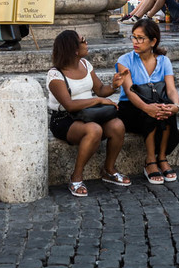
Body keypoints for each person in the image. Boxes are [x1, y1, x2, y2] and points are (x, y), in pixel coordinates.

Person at [47, 30, 130, 196]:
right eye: (83, 41)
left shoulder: (85, 64)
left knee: (117, 125)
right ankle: (76, 177)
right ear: (74, 49)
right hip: (64, 119)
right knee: (94, 130)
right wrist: (98, 101)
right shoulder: (55, 74)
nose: (87, 43)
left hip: (89, 115)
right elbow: (69, 105)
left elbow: (100, 90)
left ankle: (109, 169)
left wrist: (114, 85)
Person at [115, 19, 179, 184]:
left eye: (140, 38)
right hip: (131, 106)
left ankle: (163, 157)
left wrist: (176, 105)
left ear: (153, 41)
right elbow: (129, 92)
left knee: (164, 109)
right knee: (152, 113)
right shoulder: (124, 60)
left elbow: (171, 89)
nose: (135, 42)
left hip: (156, 101)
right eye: (134, 37)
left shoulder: (164, 61)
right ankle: (150, 161)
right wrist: (147, 108)